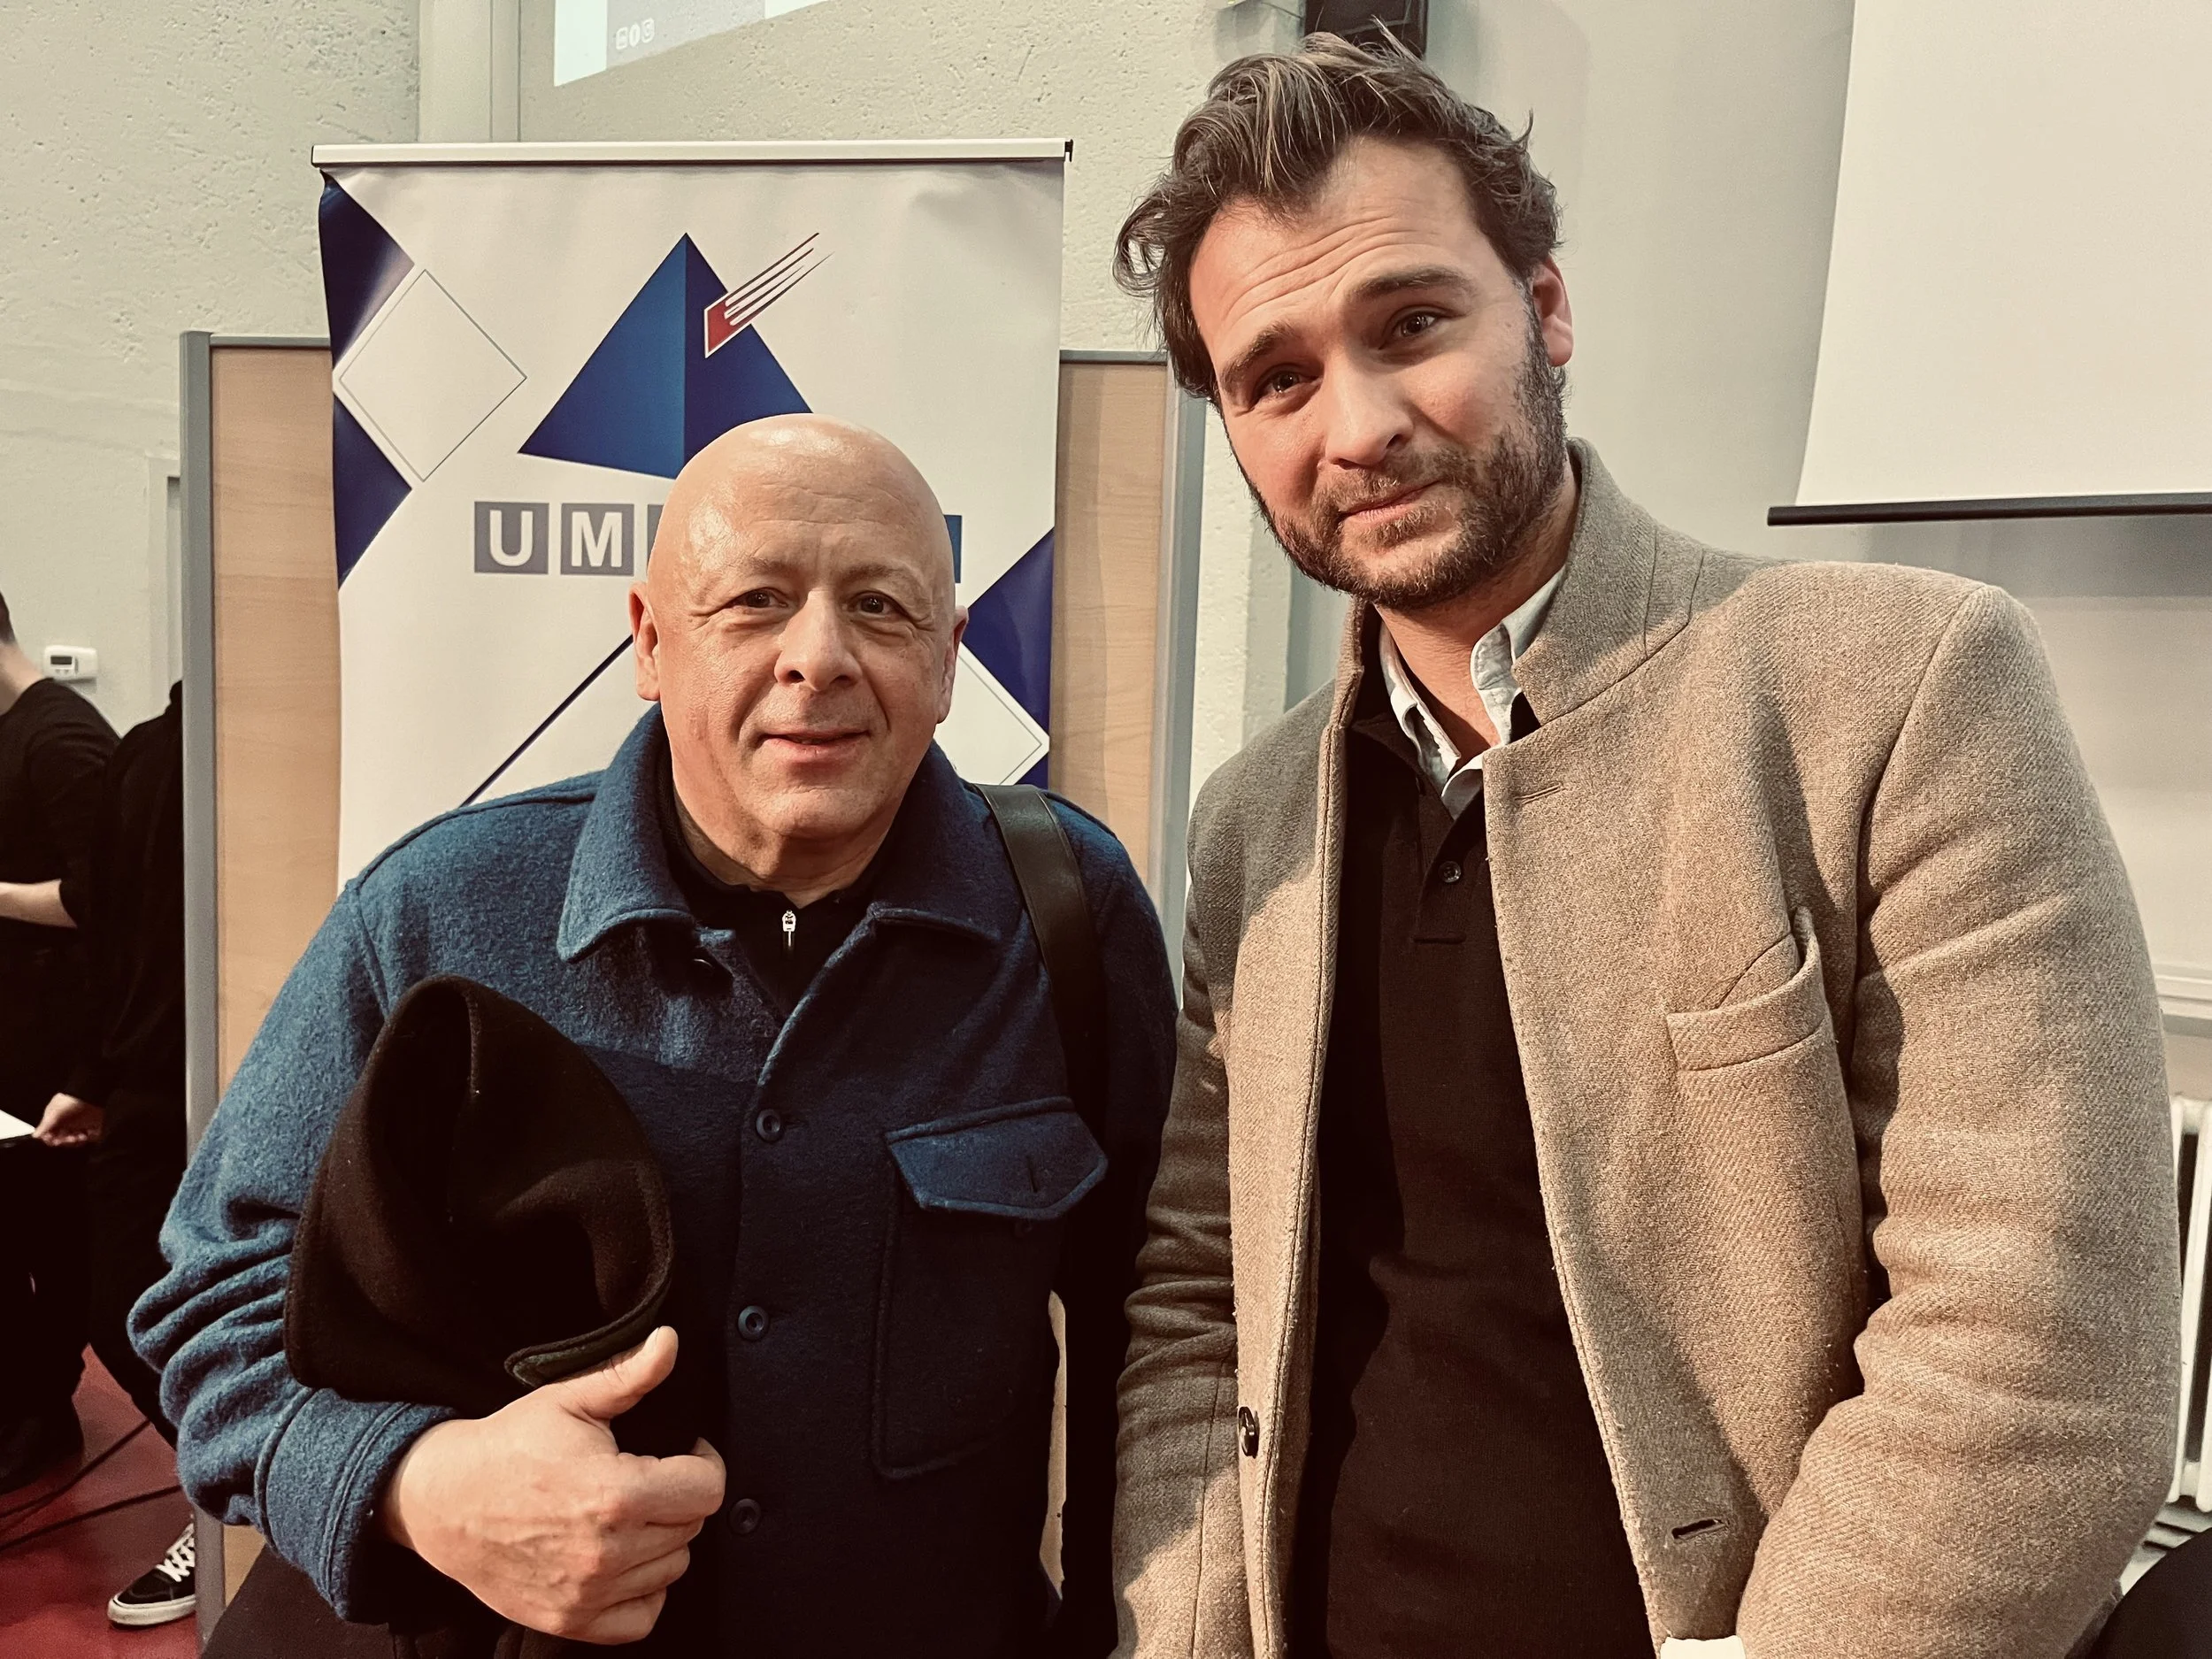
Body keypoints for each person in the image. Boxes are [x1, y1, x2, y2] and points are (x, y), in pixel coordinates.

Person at [1109, 35, 2175, 1659]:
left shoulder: (1896, 688)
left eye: (1413, 323)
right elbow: (1199, 1303)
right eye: (1279, 377)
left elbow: (2036, 1350)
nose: (1362, 421)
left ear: (1545, 310)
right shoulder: (1256, 823)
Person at [134, 415, 1174, 1655]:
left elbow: (1154, 1318)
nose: (820, 657)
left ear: (950, 660)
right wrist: (421, 1484)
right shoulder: (437, 915)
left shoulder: (1067, 916)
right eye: (754, 601)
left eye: (883, 609)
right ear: (649, 640)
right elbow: (213, 1300)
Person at [33, 680, 192, 1626]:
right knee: (123, 1306)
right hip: (150, 1087)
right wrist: (95, 1074)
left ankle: (247, 1508)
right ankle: (233, 1497)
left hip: (255, 1064)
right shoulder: (146, 753)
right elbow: (113, 927)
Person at [0, 592, 117, 1493]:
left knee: (49, 1239)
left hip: (52, 1051)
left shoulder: (63, 740)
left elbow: (102, 900)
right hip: (16, 1031)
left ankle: (44, 1408)